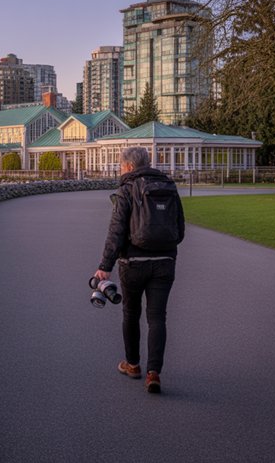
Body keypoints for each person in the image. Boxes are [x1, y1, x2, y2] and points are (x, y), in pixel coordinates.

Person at [95, 146, 185, 393]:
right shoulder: (169, 186)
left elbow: (116, 232)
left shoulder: (126, 189)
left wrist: (104, 266)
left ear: (129, 166)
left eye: (120, 165)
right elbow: (180, 229)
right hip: (165, 261)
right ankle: (153, 372)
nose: (120, 169)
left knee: (131, 313)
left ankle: (133, 364)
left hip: (133, 263)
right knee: (157, 317)